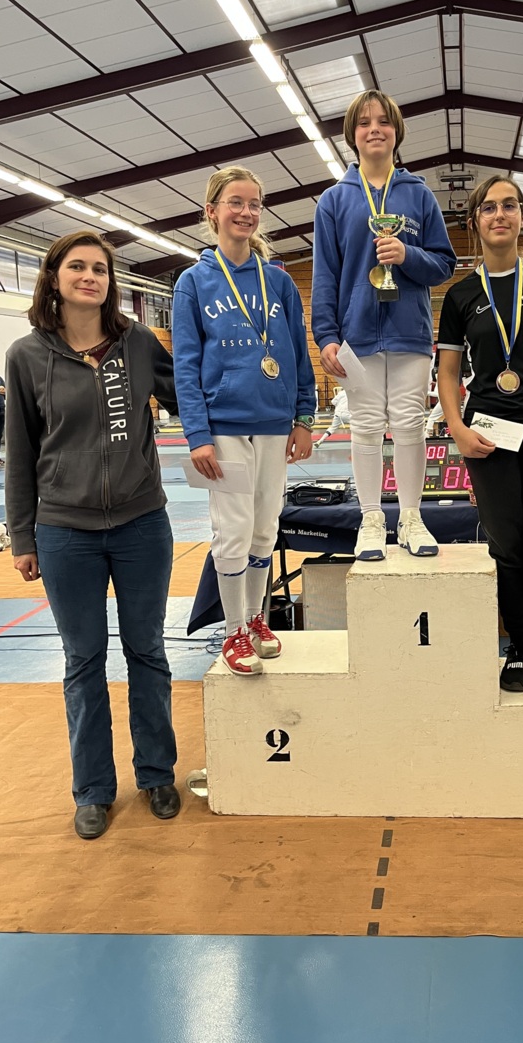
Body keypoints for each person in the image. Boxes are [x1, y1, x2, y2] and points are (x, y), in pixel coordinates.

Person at [5, 231, 179, 841]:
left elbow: (190, 395)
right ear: (53, 278)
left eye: (100, 269)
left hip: (141, 525)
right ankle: (93, 789)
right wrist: (22, 537)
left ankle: (157, 774)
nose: (89, 277)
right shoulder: (26, 356)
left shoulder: (138, 343)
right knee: (83, 661)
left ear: (111, 281)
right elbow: (20, 450)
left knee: (147, 651)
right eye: (77, 267)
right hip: (64, 532)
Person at [436, 176, 523, 692]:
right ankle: (517, 646)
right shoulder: (461, 295)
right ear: (474, 221)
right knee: (507, 546)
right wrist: (457, 428)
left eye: (509, 206)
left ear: (522, 216)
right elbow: (448, 372)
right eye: (489, 208)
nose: (500, 215)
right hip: (488, 435)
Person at [173, 166, 315, 677]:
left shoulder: (278, 281)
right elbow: (185, 365)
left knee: (264, 528)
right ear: (211, 212)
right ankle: (233, 629)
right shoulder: (193, 283)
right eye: (236, 202)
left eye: (254, 204)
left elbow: (298, 353)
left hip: (275, 424)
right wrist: (197, 435)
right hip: (224, 426)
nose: (246, 212)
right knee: (232, 530)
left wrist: (304, 416)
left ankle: (257, 620)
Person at [312, 89, 456, 560]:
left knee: (411, 425)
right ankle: (371, 518)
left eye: (383, 121)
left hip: (410, 332)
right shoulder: (334, 200)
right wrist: (326, 334)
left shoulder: (419, 194)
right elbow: (325, 274)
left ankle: (412, 517)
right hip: (356, 334)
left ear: (397, 132)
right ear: (351, 135)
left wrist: (406, 254)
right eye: (364, 122)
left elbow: (443, 264)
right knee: (366, 427)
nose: (374, 129)